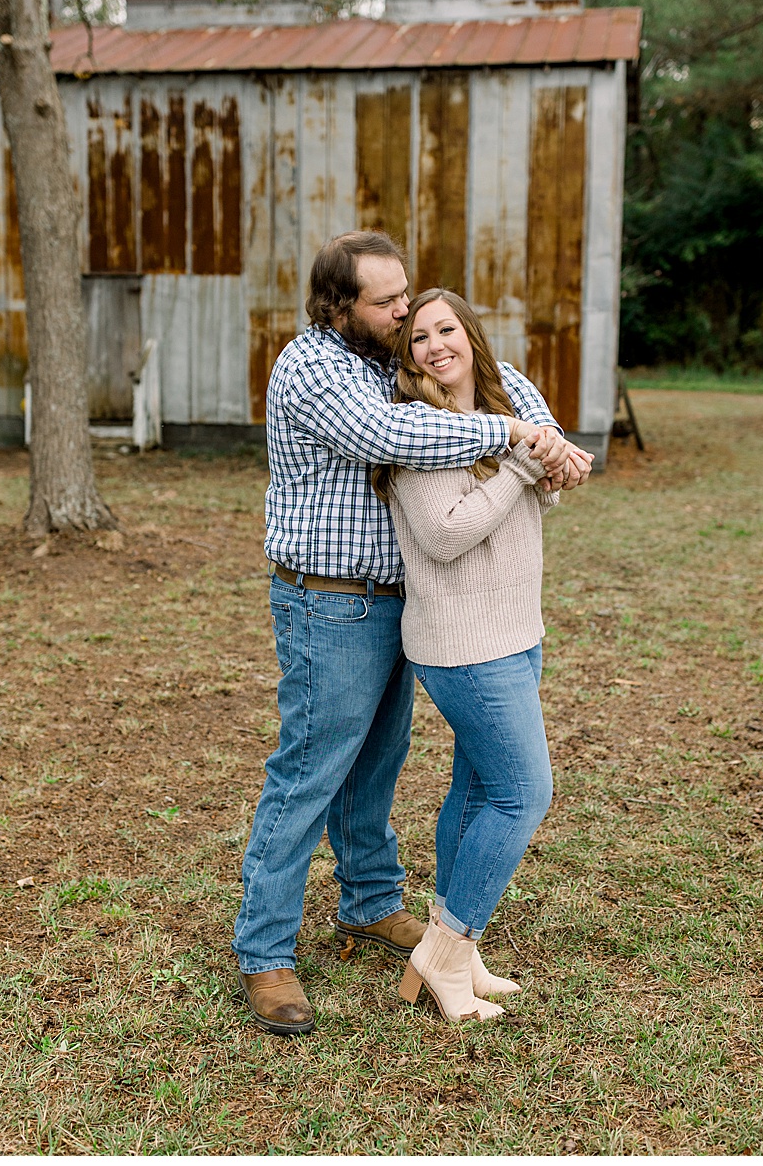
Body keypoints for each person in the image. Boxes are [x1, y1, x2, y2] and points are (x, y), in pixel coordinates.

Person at [231, 230, 592, 1037]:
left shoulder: (389, 359)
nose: (404, 310)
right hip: (331, 602)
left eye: (407, 294)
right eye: (387, 300)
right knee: (310, 773)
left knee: (378, 766)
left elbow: (502, 380)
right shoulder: (314, 367)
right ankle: (264, 952)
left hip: (406, 600)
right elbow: (394, 438)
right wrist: (515, 439)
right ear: (338, 306)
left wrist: (549, 436)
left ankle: (368, 904)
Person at [370, 288, 559, 1023]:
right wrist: (521, 468)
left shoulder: (500, 411)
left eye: (445, 329)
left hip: (514, 630)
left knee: (479, 792)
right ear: (409, 356)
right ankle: (444, 953)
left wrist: (545, 466)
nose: (434, 345)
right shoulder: (418, 431)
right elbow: (444, 535)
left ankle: (458, 952)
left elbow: (530, 506)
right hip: (464, 645)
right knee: (523, 794)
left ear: (470, 335)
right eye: (418, 337)